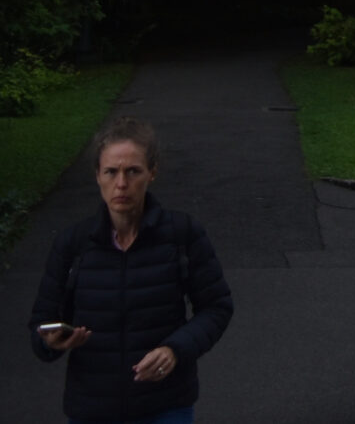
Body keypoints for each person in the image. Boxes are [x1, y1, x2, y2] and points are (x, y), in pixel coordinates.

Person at [31, 115, 233, 423]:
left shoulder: (182, 234)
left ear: (152, 173)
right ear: (97, 175)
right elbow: (42, 323)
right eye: (111, 172)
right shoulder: (73, 244)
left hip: (166, 405)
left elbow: (217, 307)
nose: (121, 183)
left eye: (133, 171)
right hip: (92, 407)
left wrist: (175, 350)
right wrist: (51, 341)